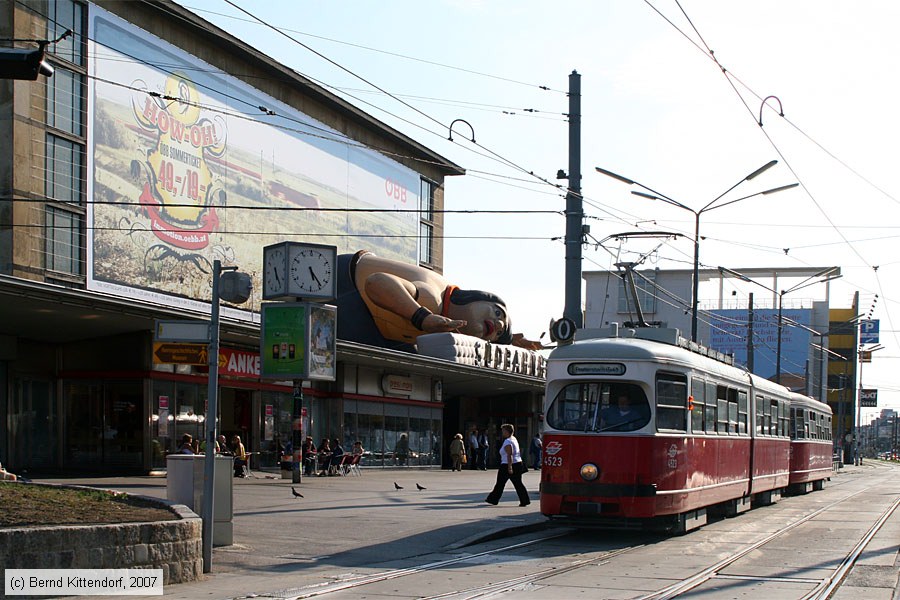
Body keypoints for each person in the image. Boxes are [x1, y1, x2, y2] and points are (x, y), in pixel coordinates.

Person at [348, 250, 542, 349]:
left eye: (498, 333)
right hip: (346, 289)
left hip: (367, 326)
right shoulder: (434, 299)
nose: (498, 325)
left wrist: (510, 342)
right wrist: (422, 317)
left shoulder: (442, 316)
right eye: (498, 312)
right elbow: (376, 282)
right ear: (478, 297)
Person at [484, 424, 530, 507]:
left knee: (500, 483)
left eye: (503, 431)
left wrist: (509, 467)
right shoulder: (514, 439)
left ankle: (493, 499)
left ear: (507, 431)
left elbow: (510, 454)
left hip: (507, 465)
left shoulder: (508, 441)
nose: (502, 433)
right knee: (518, 483)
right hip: (517, 463)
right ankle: (525, 500)